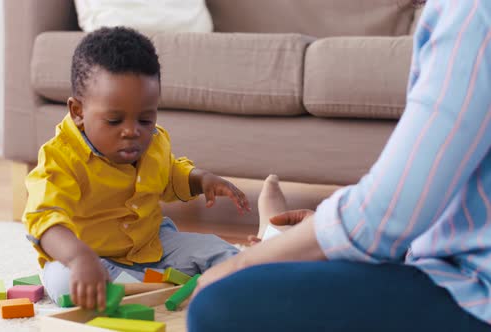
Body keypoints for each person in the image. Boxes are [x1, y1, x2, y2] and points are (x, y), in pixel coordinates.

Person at [188, 1, 491, 331]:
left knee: (221, 303)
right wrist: (324, 235)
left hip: (477, 293)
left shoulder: (473, 11)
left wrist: (240, 264)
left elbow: (389, 213)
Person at [22, 27, 250, 311]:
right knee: (63, 284)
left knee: (222, 253)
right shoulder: (60, 157)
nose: (132, 132)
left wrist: (199, 179)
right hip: (86, 255)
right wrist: (80, 258)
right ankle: (153, 285)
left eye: (145, 119)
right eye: (115, 121)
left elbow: (168, 176)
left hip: (152, 243)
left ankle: (147, 285)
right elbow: (44, 217)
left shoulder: (155, 141)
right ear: (78, 112)